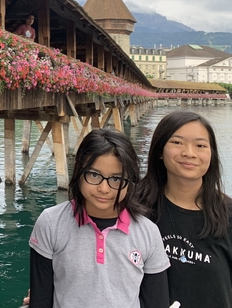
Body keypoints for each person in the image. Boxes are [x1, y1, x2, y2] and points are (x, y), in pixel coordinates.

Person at [27, 129, 170, 308]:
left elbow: (156, 301)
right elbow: (40, 299)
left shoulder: (148, 233)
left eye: (116, 179)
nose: (104, 189)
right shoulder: (51, 223)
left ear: (130, 180)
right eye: (94, 175)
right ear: (79, 171)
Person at [137, 111, 232, 308]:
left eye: (200, 145)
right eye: (177, 142)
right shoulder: (136, 206)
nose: (189, 153)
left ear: (211, 154)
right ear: (160, 150)